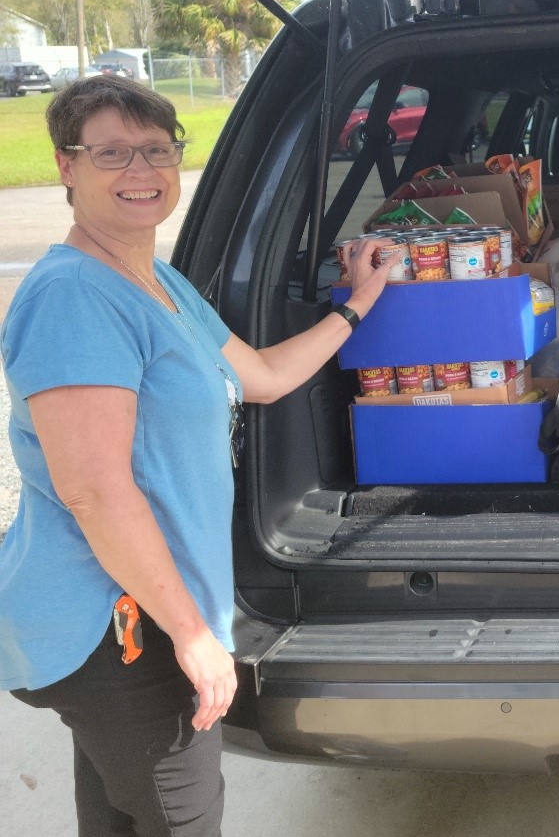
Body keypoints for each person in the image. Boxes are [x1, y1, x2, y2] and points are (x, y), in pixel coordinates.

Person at [0, 75, 393, 836]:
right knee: (182, 819)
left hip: (138, 617)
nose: (140, 172)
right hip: (117, 626)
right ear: (65, 165)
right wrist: (190, 634)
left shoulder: (160, 283)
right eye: (111, 153)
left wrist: (358, 302)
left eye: (156, 149)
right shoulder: (74, 296)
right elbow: (95, 492)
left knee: (119, 817)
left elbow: (266, 378)